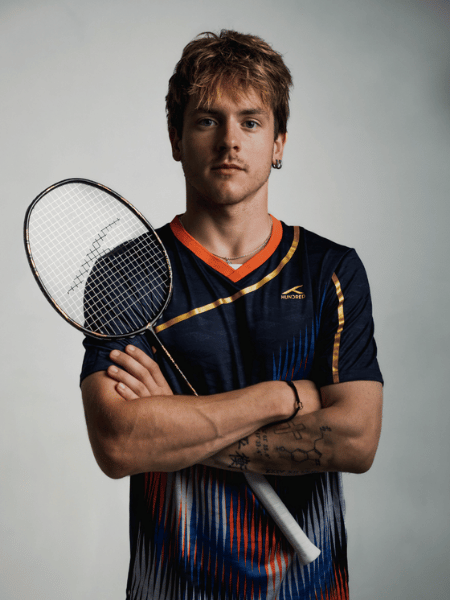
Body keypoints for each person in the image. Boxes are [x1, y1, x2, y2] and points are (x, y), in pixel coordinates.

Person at [80, 30, 383, 600]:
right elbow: (119, 444)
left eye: (250, 121)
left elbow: (357, 439)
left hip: (311, 590)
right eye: (206, 120)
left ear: (279, 143)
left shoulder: (330, 269)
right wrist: (281, 397)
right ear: (176, 139)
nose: (229, 141)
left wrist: (173, 426)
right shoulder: (128, 273)